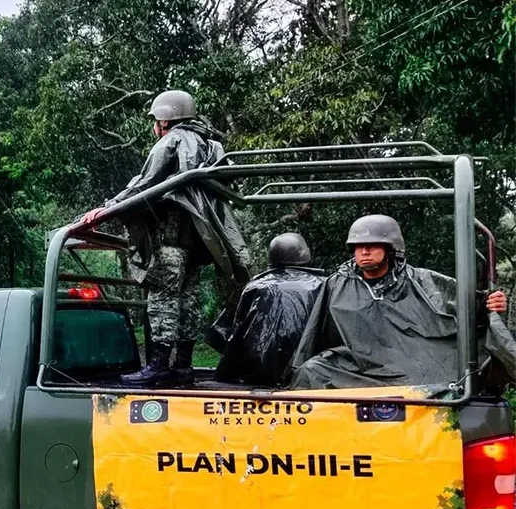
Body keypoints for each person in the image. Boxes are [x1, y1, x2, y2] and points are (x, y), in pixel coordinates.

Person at [80, 90, 251, 386]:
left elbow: (146, 185)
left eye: (156, 120)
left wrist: (107, 208)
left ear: (165, 120)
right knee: (188, 299)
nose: (154, 126)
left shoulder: (171, 141)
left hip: (170, 238)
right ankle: (183, 367)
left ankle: (159, 367)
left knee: (163, 297)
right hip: (199, 242)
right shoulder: (213, 145)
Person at [288, 214, 510, 391]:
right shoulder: (337, 284)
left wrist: (492, 304)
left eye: (372, 245)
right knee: (311, 371)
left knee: (449, 378)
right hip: (358, 368)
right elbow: (314, 333)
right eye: (358, 246)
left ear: (390, 248)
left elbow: (472, 307)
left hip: (415, 368)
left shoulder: (420, 280)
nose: (364, 251)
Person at [213, 232, 326, 386]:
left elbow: (238, 333)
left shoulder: (255, 286)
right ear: (304, 253)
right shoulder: (323, 284)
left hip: (259, 372)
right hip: (309, 370)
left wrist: (225, 370)